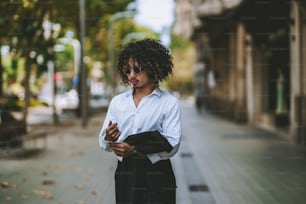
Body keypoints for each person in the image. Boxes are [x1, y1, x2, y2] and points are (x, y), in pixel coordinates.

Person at [98, 38, 182, 204]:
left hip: (157, 174)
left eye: (137, 69)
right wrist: (109, 137)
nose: (132, 75)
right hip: (126, 172)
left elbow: (172, 144)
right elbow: (102, 143)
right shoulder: (118, 102)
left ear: (153, 68)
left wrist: (135, 149)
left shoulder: (168, 102)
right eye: (127, 70)